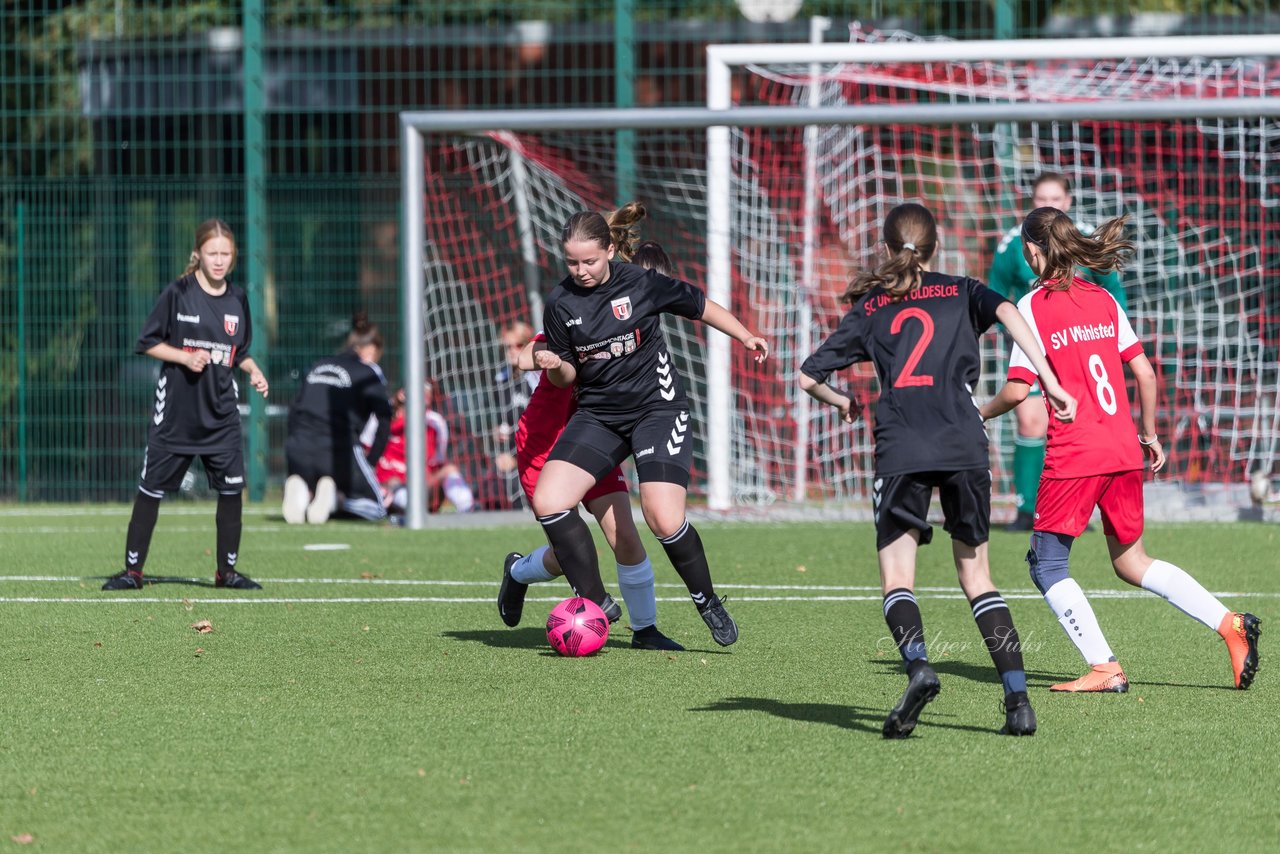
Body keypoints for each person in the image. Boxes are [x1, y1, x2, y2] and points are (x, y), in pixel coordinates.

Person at [799, 202, 1078, 738]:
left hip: (902, 448)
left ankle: (920, 666)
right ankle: (1017, 702)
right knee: (978, 576)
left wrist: (840, 402)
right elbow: (1012, 315)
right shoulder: (964, 290)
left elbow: (809, 374)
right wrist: (1050, 379)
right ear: (936, 249)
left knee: (897, 578)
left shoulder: (873, 306)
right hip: (964, 444)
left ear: (886, 249)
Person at [980, 206, 1261, 692]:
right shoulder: (1104, 300)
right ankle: (1229, 625)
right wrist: (1149, 436)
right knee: (1132, 562)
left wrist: (976, 415)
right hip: (1123, 449)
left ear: (1032, 252)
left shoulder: (1031, 307)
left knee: (1046, 564)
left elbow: (1016, 389)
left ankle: (1105, 667)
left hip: (1076, 454)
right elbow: (1146, 373)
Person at [530, 202, 769, 647]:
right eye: (572, 262)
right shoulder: (560, 304)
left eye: (589, 260)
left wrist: (745, 335)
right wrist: (551, 364)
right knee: (549, 501)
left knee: (662, 517)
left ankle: (707, 601)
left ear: (608, 250)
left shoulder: (640, 282)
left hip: (657, 411)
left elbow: (700, 306)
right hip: (599, 416)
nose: (580, 270)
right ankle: (593, 602)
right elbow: (567, 376)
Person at [499, 218, 683, 651]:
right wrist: (536, 357)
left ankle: (646, 630)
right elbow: (529, 352)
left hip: (594, 438)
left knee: (624, 534)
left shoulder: (639, 333)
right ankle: (519, 572)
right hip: (546, 443)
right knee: (571, 556)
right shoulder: (582, 314)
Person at [103, 218, 269, 591]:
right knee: (151, 489)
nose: (219, 260)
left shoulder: (238, 298)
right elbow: (147, 342)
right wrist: (183, 356)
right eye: (212, 253)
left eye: (226, 254)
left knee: (231, 491)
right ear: (198, 254)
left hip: (220, 415)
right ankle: (132, 572)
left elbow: (238, 352)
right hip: (176, 415)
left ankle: (226, 573)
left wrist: (253, 370)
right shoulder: (178, 293)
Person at [989, 172, 1129, 531]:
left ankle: (1079, 507)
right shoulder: (1014, 245)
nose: (1049, 203)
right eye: (1041, 198)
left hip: (1078, 348)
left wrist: (1109, 337)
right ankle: (1026, 508)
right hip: (1035, 345)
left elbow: (1112, 288)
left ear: (1067, 202)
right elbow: (995, 296)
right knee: (1030, 420)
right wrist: (1017, 333)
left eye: (1056, 197)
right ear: (1032, 202)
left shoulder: (1083, 236)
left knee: (1078, 421)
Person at [282, 314, 392, 524]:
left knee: (319, 481)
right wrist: (371, 462)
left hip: (298, 450)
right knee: (377, 508)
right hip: (338, 453)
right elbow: (384, 420)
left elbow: (294, 412)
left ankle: (305, 491)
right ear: (371, 349)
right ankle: (335, 500)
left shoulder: (318, 366)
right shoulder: (368, 372)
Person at [377, 380, 476, 516]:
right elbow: (367, 452)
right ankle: (405, 510)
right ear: (402, 394)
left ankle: (468, 510)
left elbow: (437, 461)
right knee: (395, 485)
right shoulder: (382, 417)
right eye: (421, 390)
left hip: (422, 485)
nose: (426, 396)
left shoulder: (435, 422)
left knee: (449, 470)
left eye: (429, 392)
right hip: (388, 484)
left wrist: (431, 478)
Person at [492, 321, 537, 508]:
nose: (512, 350)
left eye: (518, 345)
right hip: (513, 452)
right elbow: (501, 419)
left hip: (538, 451)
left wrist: (516, 459)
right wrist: (497, 432)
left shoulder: (537, 378)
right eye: (507, 346)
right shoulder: (500, 380)